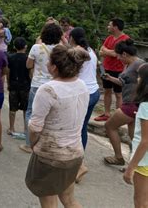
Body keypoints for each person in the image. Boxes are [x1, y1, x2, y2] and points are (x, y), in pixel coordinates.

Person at [25, 45, 89, 208]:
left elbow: (35, 128)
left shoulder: (47, 90)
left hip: (51, 156)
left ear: (54, 67)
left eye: (48, 62)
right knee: (69, 199)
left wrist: (33, 145)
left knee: (49, 200)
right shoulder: (82, 85)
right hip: (74, 154)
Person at [20, 23, 63, 153]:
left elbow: (28, 65)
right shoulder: (60, 49)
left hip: (37, 85)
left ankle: (29, 144)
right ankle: (46, 143)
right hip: (55, 86)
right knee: (50, 115)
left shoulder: (36, 47)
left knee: (31, 113)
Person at [103, 40, 145, 165]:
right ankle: (135, 163)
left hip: (133, 104)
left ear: (125, 54)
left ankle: (119, 157)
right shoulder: (128, 65)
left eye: (119, 56)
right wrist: (110, 78)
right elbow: (123, 82)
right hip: (130, 104)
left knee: (109, 126)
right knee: (134, 137)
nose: (119, 59)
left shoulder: (140, 65)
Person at [68, 27, 100, 183]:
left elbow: (71, 72)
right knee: (82, 128)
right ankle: (78, 161)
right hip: (94, 92)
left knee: (74, 128)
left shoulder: (75, 52)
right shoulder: (91, 51)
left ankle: (79, 165)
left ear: (72, 38)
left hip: (83, 94)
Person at [95, 18, 130, 121]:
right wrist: (110, 52)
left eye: (109, 25)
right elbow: (101, 51)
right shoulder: (109, 38)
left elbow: (116, 54)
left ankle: (118, 115)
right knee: (107, 91)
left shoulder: (125, 39)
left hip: (119, 70)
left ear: (115, 27)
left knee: (118, 94)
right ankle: (106, 113)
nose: (108, 27)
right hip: (106, 68)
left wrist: (107, 51)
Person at [123, 63, 148, 208]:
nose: (137, 79)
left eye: (139, 77)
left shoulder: (145, 106)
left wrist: (131, 167)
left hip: (143, 161)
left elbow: (145, 141)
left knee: (140, 202)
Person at [7, 37, 31, 136]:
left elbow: (8, 72)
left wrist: (8, 83)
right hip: (25, 86)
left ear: (14, 46)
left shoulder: (10, 57)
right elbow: (30, 73)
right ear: (25, 46)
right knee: (26, 109)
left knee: (12, 108)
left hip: (13, 85)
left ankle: (11, 128)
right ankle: (26, 129)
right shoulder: (28, 58)